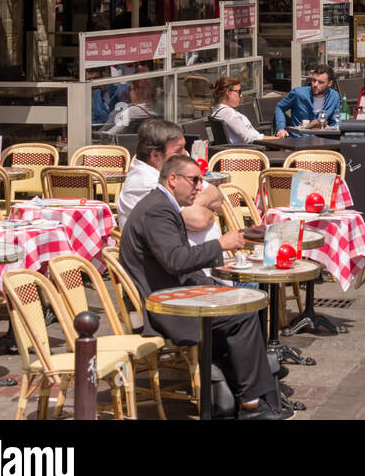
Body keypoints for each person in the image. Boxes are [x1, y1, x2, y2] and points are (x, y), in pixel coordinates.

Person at [121, 154, 291, 420]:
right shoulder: (157, 209)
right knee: (243, 314)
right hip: (166, 306)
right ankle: (251, 404)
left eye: (200, 180)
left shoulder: (162, 204)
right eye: (194, 180)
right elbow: (175, 260)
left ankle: (254, 387)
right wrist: (220, 245)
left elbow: (175, 261)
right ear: (173, 179)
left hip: (175, 293)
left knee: (248, 299)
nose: (200, 187)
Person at [272, 64, 341, 136]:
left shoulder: (334, 97)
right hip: (298, 140)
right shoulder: (299, 93)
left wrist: (329, 127)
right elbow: (279, 107)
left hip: (321, 141)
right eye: (314, 80)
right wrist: (281, 129)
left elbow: (335, 122)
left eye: (320, 82)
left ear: (330, 83)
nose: (315, 85)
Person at [210, 77, 265, 145]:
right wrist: (272, 139)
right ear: (228, 92)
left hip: (248, 147)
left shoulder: (217, 109)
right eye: (239, 92)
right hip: (249, 150)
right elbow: (248, 138)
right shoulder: (228, 113)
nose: (241, 95)